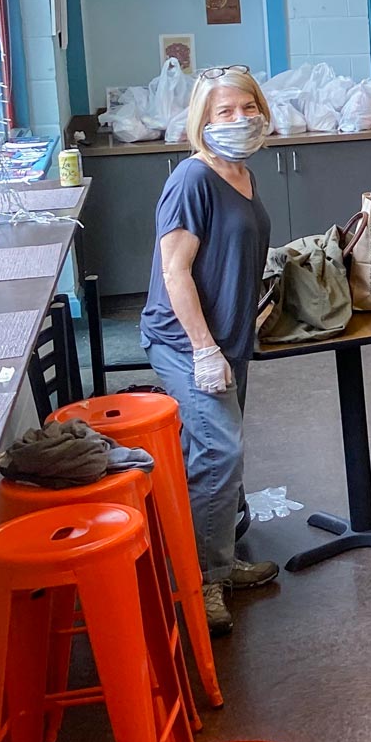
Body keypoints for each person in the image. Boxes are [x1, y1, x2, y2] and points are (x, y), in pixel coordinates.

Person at [138, 66, 276, 635]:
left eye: (248, 107)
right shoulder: (193, 179)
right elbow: (175, 271)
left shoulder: (241, 173)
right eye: (225, 111)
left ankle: (220, 560)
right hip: (185, 340)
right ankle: (199, 583)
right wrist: (202, 349)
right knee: (218, 452)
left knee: (216, 453)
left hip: (228, 337)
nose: (240, 119)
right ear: (203, 121)